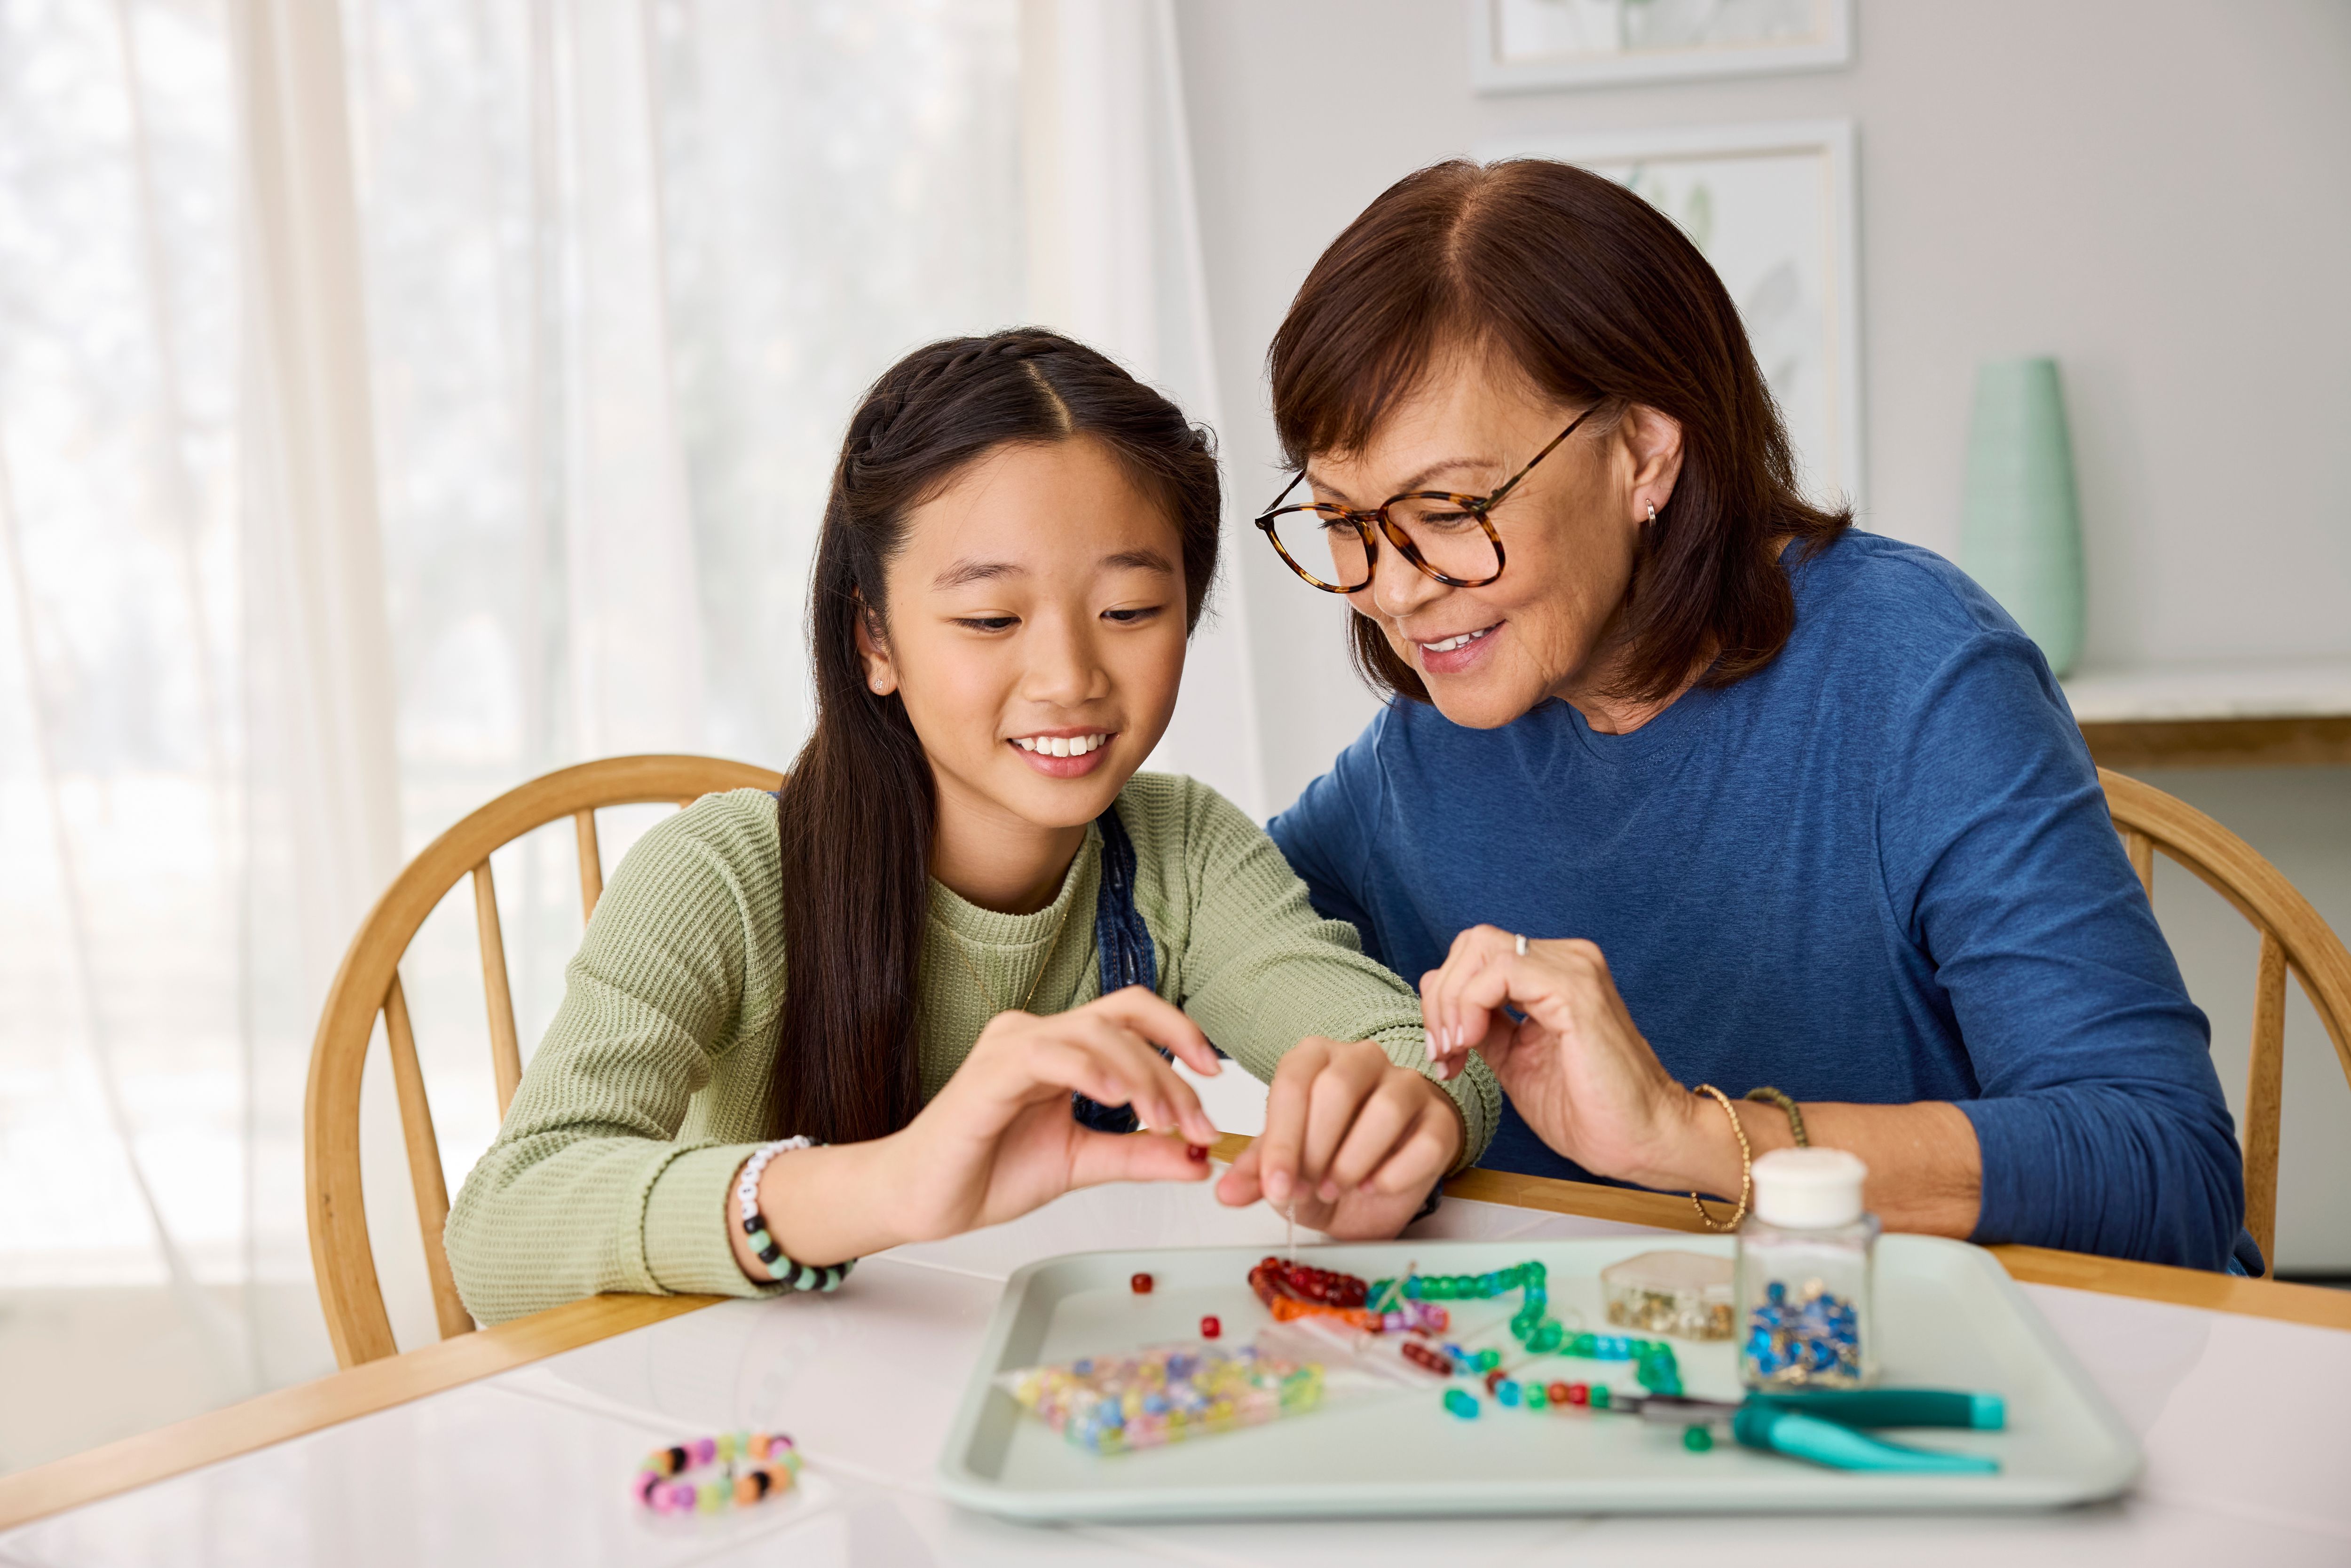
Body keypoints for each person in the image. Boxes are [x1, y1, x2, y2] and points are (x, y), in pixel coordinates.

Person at [1259, 159, 2252, 1273]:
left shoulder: (1916, 671)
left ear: (1644, 451)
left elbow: (2166, 1167)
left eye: (1449, 510)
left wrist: (1693, 1136)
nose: (1393, 591)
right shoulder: (1424, 755)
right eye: (1342, 519)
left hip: (1999, 1376)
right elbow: (1188, 929)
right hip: (1671, 1390)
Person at [445, 329, 1498, 1325]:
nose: (1069, 679)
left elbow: (1432, 1058)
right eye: (991, 620)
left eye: (1129, 611)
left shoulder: (1176, 851)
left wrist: (1404, 1114)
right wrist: (888, 1184)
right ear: (874, 639)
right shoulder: (724, 877)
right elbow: (502, 1230)